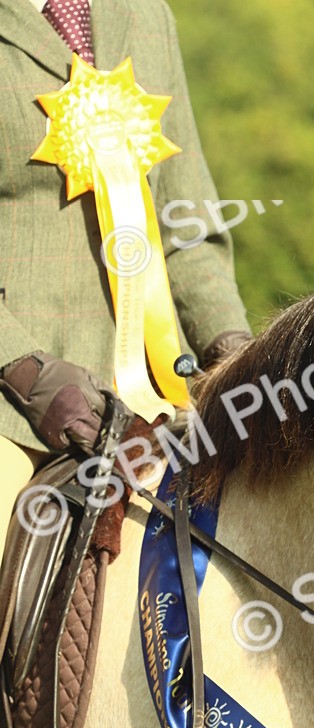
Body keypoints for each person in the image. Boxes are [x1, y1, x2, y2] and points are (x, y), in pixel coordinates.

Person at [0, 0, 252, 542]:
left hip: (155, 400)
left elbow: (187, 227)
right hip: (10, 406)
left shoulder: (147, 16)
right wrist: (21, 368)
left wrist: (237, 357)